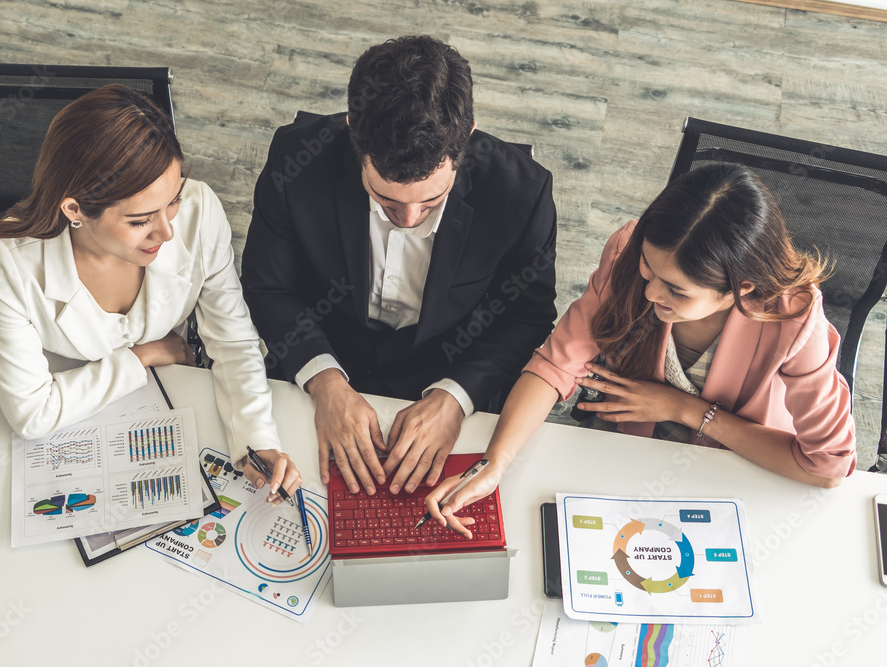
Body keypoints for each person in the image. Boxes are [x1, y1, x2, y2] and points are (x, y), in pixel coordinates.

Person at [427, 163, 858, 536]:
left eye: (676, 290)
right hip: (625, 457)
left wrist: (684, 409)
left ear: (741, 289)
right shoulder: (628, 250)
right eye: (648, 269)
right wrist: (494, 463)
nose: (650, 293)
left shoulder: (794, 318)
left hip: (733, 474)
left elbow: (827, 467)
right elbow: (556, 363)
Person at [240, 35, 558, 498]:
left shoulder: (522, 194)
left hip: (451, 369)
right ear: (354, 132)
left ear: (466, 136)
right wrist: (324, 380)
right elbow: (268, 288)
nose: (408, 220)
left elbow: (524, 317)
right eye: (386, 198)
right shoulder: (296, 159)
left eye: (431, 200)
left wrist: (456, 397)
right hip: (323, 355)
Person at [0, 84, 300, 501]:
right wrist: (141, 356)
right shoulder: (8, 261)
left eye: (173, 200)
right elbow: (31, 414)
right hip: (77, 422)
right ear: (75, 210)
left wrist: (258, 442)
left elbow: (233, 341)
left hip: (159, 399)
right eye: (140, 220)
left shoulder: (199, 213)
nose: (166, 231)